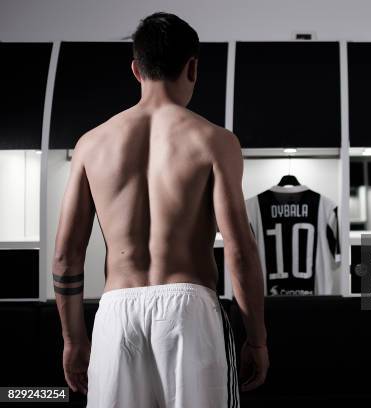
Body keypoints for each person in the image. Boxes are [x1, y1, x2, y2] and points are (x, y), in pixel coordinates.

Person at [52, 12, 268, 408]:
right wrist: (256, 339)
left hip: (117, 312)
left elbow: (67, 257)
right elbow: (240, 250)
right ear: (193, 67)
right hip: (191, 311)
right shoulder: (215, 141)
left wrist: (74, 340)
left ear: (136, 69)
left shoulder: (91, 144)